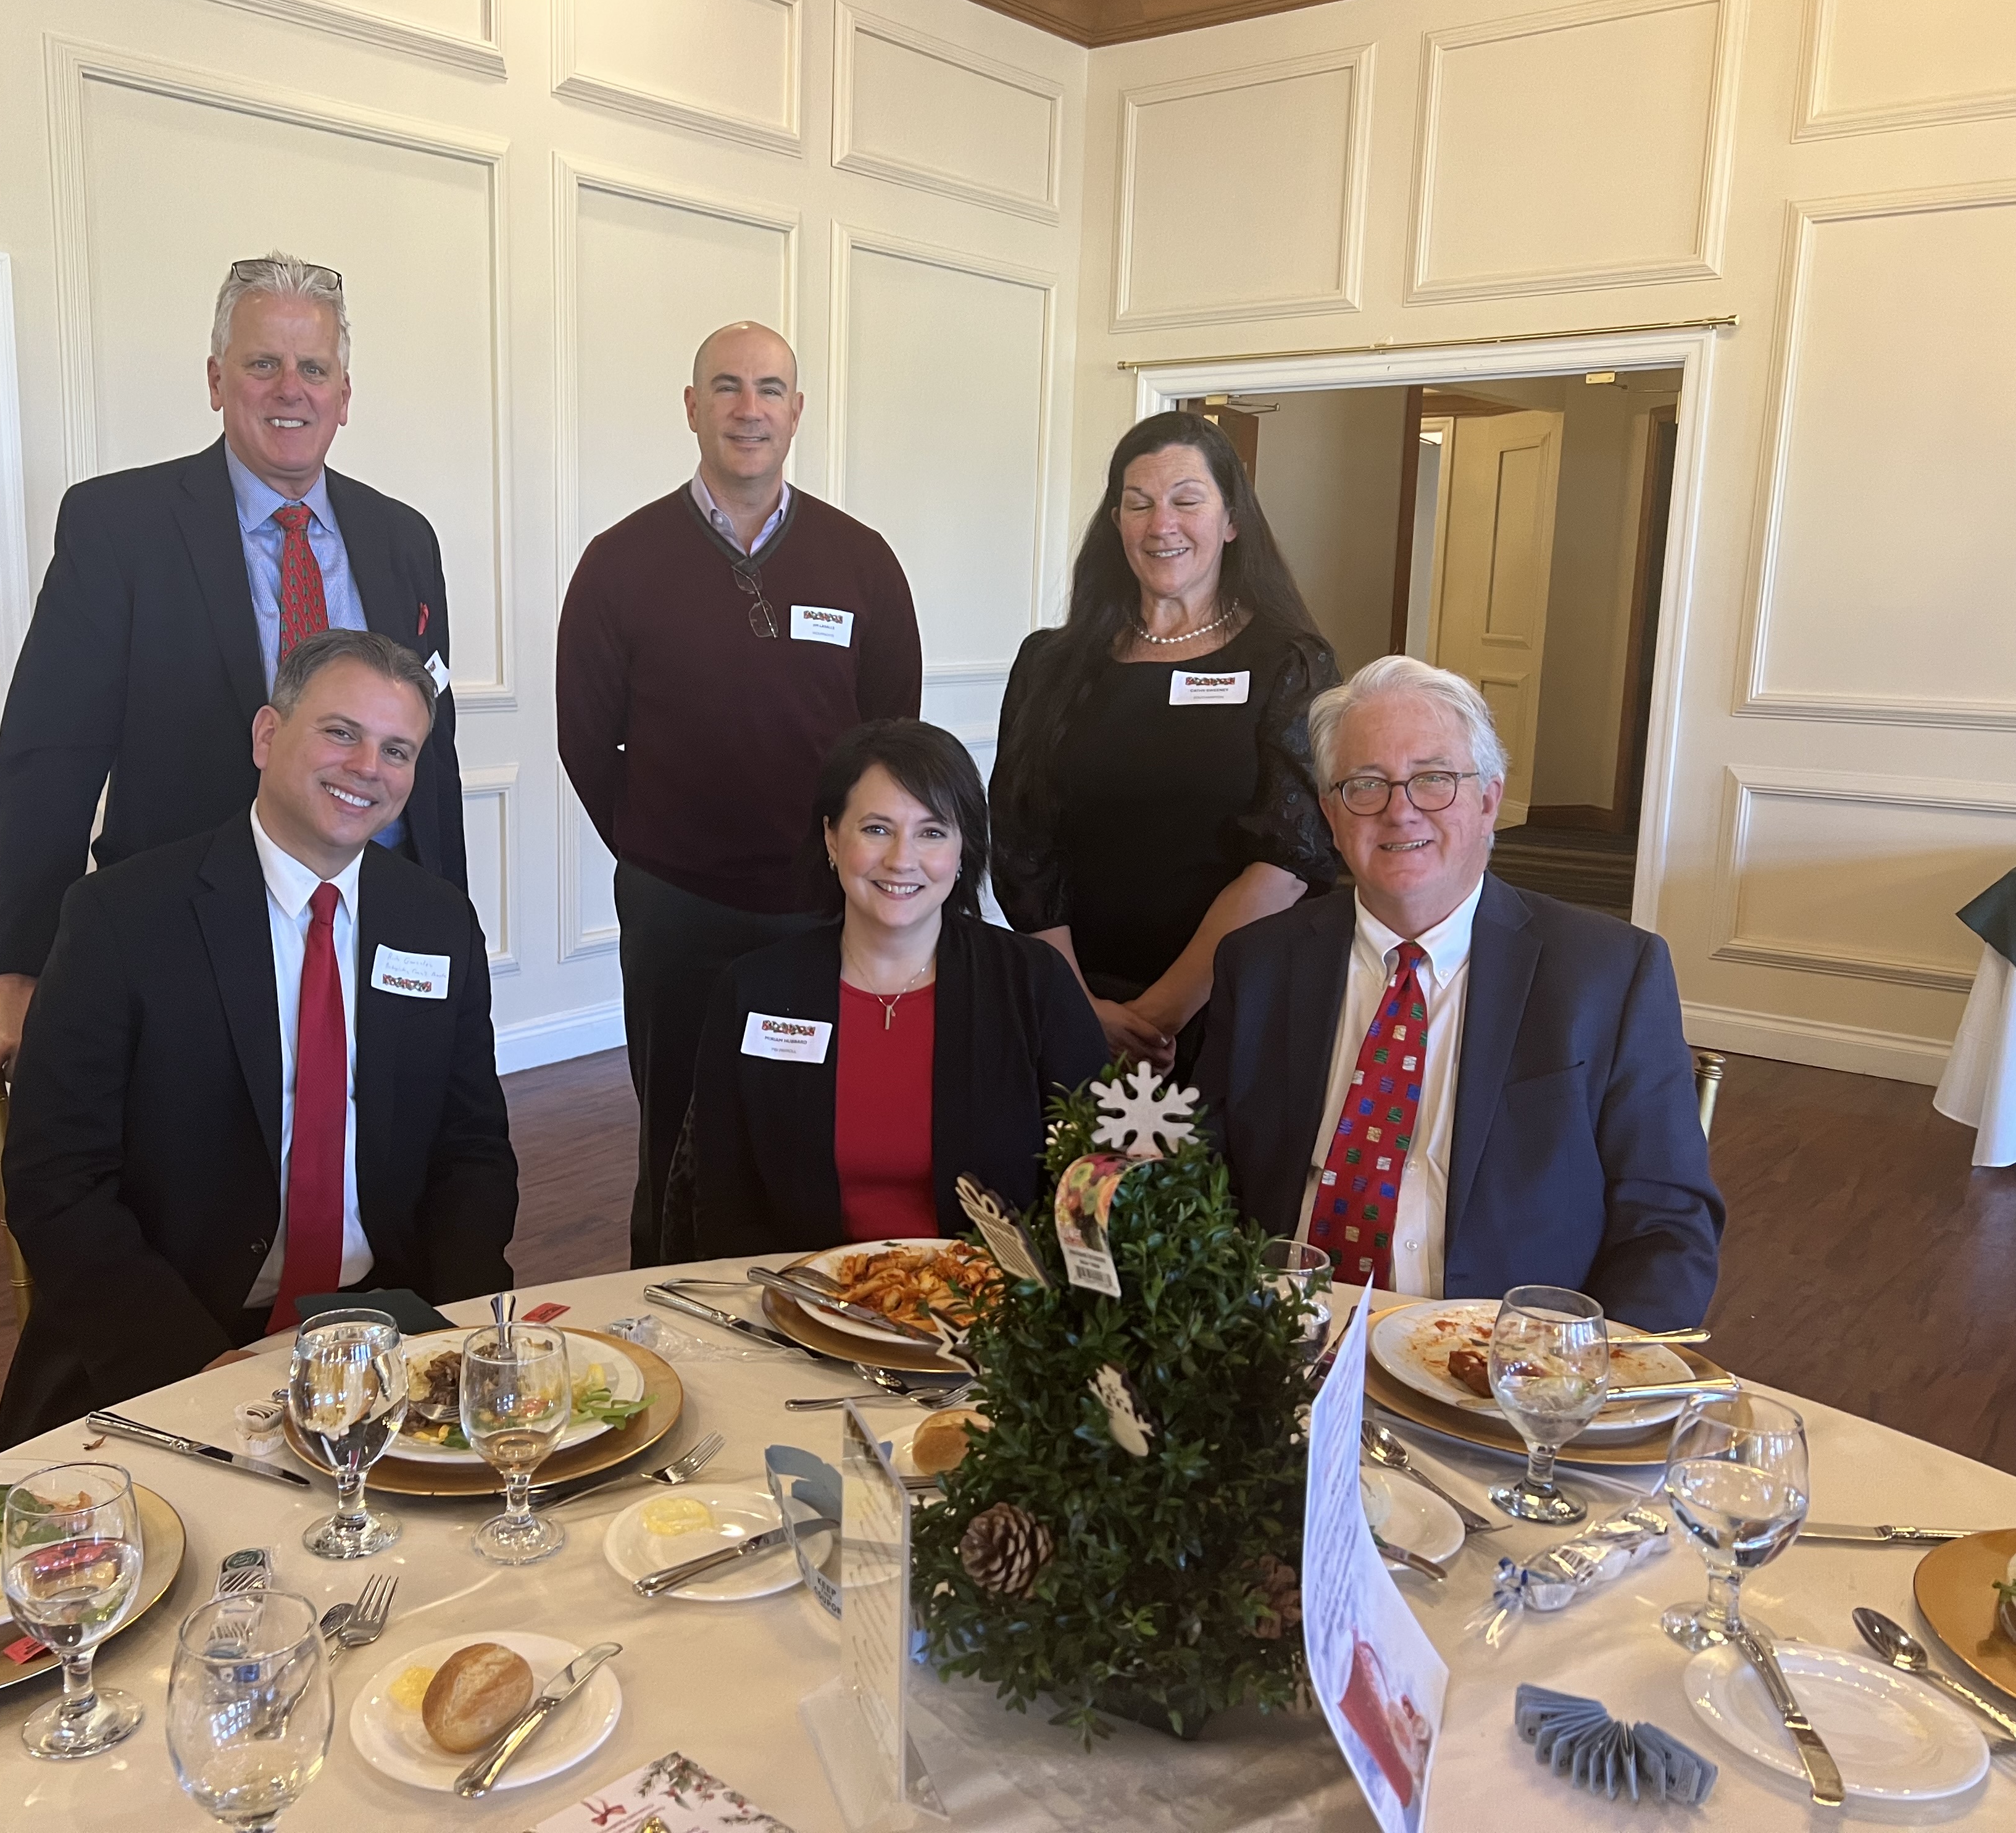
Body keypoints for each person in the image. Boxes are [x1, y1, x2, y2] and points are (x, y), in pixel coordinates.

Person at [0, 630, 515, 1447]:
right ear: (268, 735)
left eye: (397, 749)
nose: (367, 768)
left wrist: (454, 1339)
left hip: (384, 1329)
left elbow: (473, 1147)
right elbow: (54, 1181)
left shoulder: (436, 922)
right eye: (340, 732)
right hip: (178, 1333)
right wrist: (196, 1362)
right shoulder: (123, 918)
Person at [0, 251, 467, 1095]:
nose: (291, 389)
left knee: (373, 1153)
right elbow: (49, 757)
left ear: (344, 396)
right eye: (262, 364)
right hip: (185, 931)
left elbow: (433, 756)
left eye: (313, 368)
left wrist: (452, 931)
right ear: (216, 380)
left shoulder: (403, 540)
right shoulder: (117, 528)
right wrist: (22, 966)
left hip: (371, 915)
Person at [1189, 654, 1722, 1331]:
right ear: (1330, 814)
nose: (1400, 811)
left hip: (1502, 1361)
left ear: (1489, 801)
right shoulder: (1258, 964)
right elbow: (1202, 1175)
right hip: (1284, 1340)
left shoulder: (1608, 974)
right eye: (1366, 786)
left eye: (1434, 780)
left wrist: (1582, 1375)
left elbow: (1669, 1226)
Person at [557, 321, 922, 1267]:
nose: (748, 409)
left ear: (797, 412)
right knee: (674, 1124)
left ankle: (809, 1296)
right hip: (680, 910)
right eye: (726, 387)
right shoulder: (619, 561)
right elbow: (586, 741)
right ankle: (659, 1297)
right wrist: (656, 848)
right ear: (691, 407)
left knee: (806, 1119)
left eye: (769, 389)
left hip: (821, 908)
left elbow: (892, 736)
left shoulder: (862, 560)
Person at [665, 721, 1105, 1261]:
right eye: (876, 829)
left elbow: (1092, 1175)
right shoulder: (756, 990)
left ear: (964, 847)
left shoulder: (1034, 984)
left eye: (932, 831)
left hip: (992, 1317)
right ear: (831, 838)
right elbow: (719, 1196)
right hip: (801, 1310)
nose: (902, 859)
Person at [991, 411, 1340, 1077]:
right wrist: (1080, 1006)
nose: (1162, 526)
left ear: (1232, 520)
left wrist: (1159, 1016)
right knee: (1068, 1181)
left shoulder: (1288, 663)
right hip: (1075, 999)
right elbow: (1022, 845)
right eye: (1139, 504)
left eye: (1187, 501)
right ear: (1116, 521)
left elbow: (1289, 858)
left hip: (1228, 1004)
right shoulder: (1049, 664)